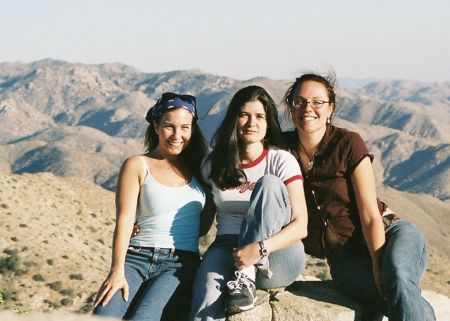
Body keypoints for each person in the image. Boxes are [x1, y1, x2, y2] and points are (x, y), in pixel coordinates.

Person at [282, 73, 436, 321]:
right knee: (400, 299)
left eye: (317, 102)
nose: (308, 108)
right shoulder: (282, 148)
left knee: (394, 277)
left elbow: (369, 215)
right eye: (300, 102)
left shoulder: (348, 143)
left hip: (389, 235)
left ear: (330, 108)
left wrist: (378, 264)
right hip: (345, 261)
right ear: (291, 107)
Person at [190, 85, 308, 321]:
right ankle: (242, 279)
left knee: (269, 184)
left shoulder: (281, 160)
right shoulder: (214, 164)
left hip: (277, 252)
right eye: (244, 115)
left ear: (268, 122)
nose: (251, 122)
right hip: (228, 247)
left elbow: (301, 225)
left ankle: (246, 278)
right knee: (204, 301)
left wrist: (259, 248)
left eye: (259, 116)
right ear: (233, 119)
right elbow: (202, 223)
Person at [93, 92, 209, 321]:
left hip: (178, 265)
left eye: (185, 127)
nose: (177, 135)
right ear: (156, 126)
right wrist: (117, 270)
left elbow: (203, 226)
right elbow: (125, 220)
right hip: (135, 257)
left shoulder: (202, 170)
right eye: (169, 126)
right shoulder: (137, 165)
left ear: (192, 130)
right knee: (103, 316)